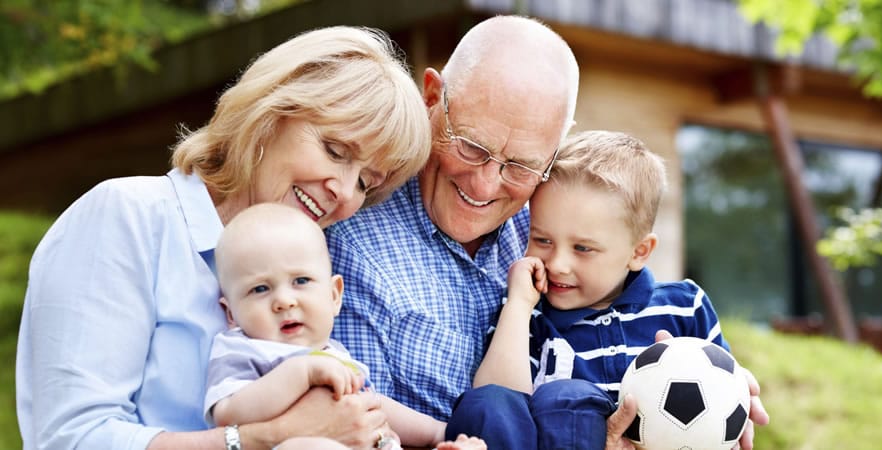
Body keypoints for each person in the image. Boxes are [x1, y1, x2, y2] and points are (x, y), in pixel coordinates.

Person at [324, 14, 768, 448]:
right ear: (431, 96)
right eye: (471, 146)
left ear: (555, 148)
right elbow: (357, 428)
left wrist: (708, 383)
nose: (485, 184)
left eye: (521, 165)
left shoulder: (554, 218)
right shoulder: (353, 239)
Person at [16, 26, 433, 450]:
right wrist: (264, 438)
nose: (344, 192)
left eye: (365, 182)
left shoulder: (311, 274)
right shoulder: (129, 215)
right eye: (335, 150)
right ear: (270, 115)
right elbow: (73, 439)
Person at [447, 130, 747, 449]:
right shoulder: (530, 316)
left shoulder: (685, 307)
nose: (558, 264)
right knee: (548, 398)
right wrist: (519, 307)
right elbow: (496, 405)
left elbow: (724, 398)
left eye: (583, 248)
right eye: (543, 240)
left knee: (570, 396)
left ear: (639, 252)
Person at [206, 203, 487, 450]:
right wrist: (301, 372)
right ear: (231, 313)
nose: (284, 300)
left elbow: (374, 406)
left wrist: (437, 432)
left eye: (301, 281)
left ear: (334, 296)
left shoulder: (335, 353)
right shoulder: (242, 349)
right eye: (260, 289)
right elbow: (228, 413)